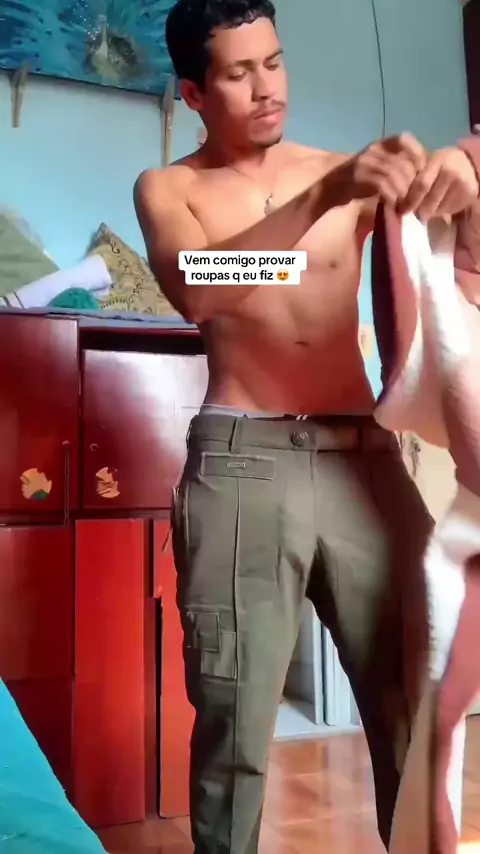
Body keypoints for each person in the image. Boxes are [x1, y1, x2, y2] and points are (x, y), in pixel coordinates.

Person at [134, 2, 480, 852]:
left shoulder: (344, 173)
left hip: (365, 459)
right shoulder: (170, 188)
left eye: (274, 62)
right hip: (243, 461)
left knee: (416, 703)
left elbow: (446, 240)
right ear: (193, 92)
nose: (267, 88)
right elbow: (202, 287)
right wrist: (328, 195)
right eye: (239, 73)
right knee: (234, 726)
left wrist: (463, 166)